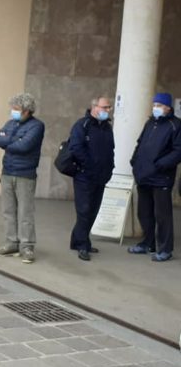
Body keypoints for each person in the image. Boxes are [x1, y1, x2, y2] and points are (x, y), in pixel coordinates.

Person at [0, 93, 45, 263]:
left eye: (17, 109)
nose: (13, 112)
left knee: (25, 212)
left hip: (25, 174)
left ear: (27, 111)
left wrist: (6, 140)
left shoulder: (37, 126)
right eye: (12, 108)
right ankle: (11, 243)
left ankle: (27, 246)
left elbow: (25, 146)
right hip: (7, 172)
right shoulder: (10, 123)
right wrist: (14, 139)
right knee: (8, 211)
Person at [128, 92, 181, 262]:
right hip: (144, 175)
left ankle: (165, 249)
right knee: (144, 213)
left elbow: (178, 151)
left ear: (168, 107)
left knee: (162, 215)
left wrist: (160, 164)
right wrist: (135, 161)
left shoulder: (176, 125)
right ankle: (147, 243)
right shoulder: (150, 122)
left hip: (161, 178)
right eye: (154, 105)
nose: (155, 108)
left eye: (159, 105)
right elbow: (140, 142)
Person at [68, 97, 115, 261]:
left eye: (109, 107)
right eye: (105, 107)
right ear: (94, 107)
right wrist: (89, 167)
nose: (107, 110)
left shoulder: (107, 128)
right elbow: (76, 147)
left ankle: (77, 240)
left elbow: (111, 150)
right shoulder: (82, 125)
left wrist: (110, 169)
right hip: (84, 176)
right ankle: (83, 245)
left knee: (93, 211)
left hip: (101, 177)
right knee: (84, 211)